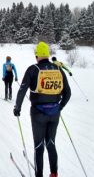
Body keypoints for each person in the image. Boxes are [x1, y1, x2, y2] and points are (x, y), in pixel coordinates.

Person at [13, 42, 71, 177]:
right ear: (48, 55)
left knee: (39, 146)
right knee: (51, 143)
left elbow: (22, 90)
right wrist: (59, 107)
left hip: (38, 113)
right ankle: (54, 173)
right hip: (54, 113)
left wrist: (17, 107)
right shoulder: (58, 69)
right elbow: (67, 93)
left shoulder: (33, 69)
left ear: (37, 55)